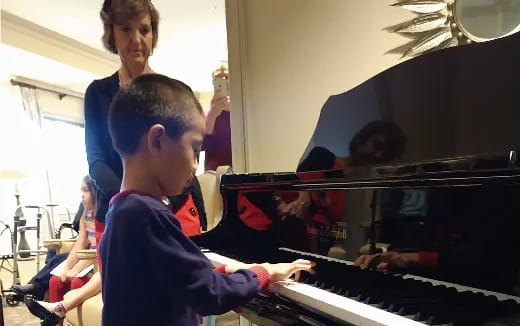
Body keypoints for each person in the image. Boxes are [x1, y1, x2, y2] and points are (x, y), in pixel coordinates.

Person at [100, 73, 315, 326]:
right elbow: (209, 294)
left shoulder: (121, 211)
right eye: (194, 149)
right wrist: (263, 272)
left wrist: (230, 272)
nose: (194, 165)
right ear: (157, 140)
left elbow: (179, 279)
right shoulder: (149, 214)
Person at [84, 0, 159, 234]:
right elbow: (96, 161)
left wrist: (161, 205)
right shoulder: (97, 93)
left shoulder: (175, 92)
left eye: (144, 30)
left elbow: (187, 158)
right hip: (114, 215)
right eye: (126, 29)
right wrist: (129, 201)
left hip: (165, 213)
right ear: (112, 35)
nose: (136, 39)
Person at [203, 64, 232, 171]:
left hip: (241, 170)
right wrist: (212, 114)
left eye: (226, 77)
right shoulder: (207, 113)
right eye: (218, 78)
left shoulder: (244, 111)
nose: (225, 82)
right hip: (215, 175)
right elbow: (202, 145)